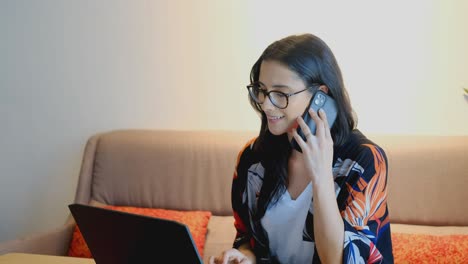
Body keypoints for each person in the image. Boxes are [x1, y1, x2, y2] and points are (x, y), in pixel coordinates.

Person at [209, 33, 393, 264]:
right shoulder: (252, 158)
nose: (266, 104)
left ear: (320, 97)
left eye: (280, 93)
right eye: (262, 90)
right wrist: (244, 257)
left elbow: (339, 260)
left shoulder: (364, 161)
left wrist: (322, 177)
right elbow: (246, 237)